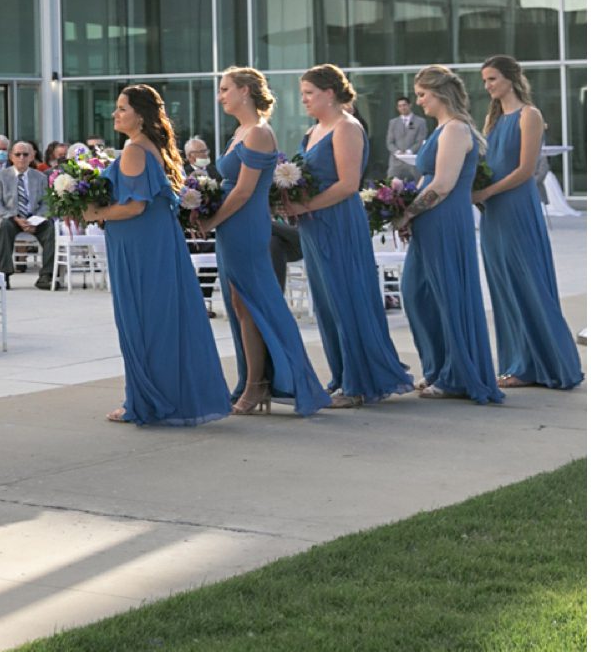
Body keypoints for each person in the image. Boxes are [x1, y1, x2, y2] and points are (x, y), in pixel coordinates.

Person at [78, 85, 230, 426]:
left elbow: (135, 206)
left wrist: (94, 213)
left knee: (143, 320)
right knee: (160, 318)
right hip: (154, 241)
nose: (115, 114)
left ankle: (145, 401)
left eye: (122, 108)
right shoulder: (149, 146)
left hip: (140, 245)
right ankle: (160, 396)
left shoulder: (134, 149)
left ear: (141, 115)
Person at [191, 70, 328, 417]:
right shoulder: (240, 131)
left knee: (255, 303)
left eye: (225, 89)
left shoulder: (258, 132)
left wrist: (211, 221)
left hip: (246, 226)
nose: (220, 96)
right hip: (232, 226)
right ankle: (254, 381)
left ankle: (262, 383)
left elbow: (243, 191)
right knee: (240, 306)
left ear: (246, 91)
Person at [276, 65, 414, 407]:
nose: (303, 99)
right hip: (312, 225)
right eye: (303, 93)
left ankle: (359, 383)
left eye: (309, 93)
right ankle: (341, 376)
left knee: (346, 296)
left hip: (338, 221)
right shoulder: (313, 131)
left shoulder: (347, 127)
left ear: (330, 93)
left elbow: (349, 184)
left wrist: (304, 206)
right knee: (326, 303)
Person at [396, 65, 504, 404]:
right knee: (416, 293)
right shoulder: (441, 129)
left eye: (422, 94)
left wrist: (407, 212)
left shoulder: (456, 129)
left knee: (445, 295)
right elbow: (427, 179)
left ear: (440, 93)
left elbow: (443, 184)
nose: (419, 101)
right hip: (428, 221)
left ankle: (455, 374)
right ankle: (438, 367)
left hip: (444, 221)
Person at [473, 55, 582, 390]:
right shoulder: (494, 120)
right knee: (504, 286)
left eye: (492, 79)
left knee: (529, 282)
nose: (487, 86)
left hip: (517, 208)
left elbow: (525, 171)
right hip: (493, 212)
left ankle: (548, 363)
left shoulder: (529, 115)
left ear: (510, 78)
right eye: (485, 80)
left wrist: (486, 191)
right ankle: (518, 363)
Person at [0, 141, 56, 290]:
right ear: (11, 157)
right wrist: (15, 218)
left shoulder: (40, 177)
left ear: (31, 157)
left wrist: (36, 219)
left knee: (50, 228)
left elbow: (46, 203)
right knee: (4, 227)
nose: (21, 158)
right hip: (11, 218)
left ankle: (46, 276)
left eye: (25, 154)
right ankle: (4, 274)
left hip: (34, 218)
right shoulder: (0, 176)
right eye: (18, 154)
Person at [386, 96, 428, 181]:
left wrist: (409, 152)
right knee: (390, 185)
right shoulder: (393, 122)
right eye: (400, 106)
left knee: (417, 185)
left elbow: (421, 140)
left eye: (404, 105)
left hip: (413, 161)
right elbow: (389, 142)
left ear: (410, 105)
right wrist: (398, 152)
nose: (402, 108)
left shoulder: (420, 122)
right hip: (396, 162)